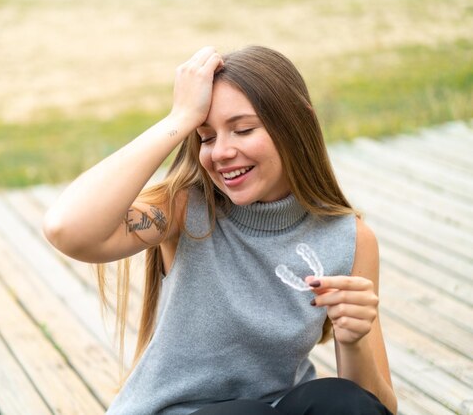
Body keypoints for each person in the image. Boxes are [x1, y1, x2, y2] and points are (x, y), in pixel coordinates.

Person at [43, 46, 398, 415]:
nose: (221, 152)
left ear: (297, 124)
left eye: (242, 129)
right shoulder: (185, 209)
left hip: (274, 409)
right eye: (207, 137)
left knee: (337, 401)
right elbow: (65, 227)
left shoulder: (350, 238)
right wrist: (179, 116)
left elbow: (377, 408)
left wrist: (354, 342)